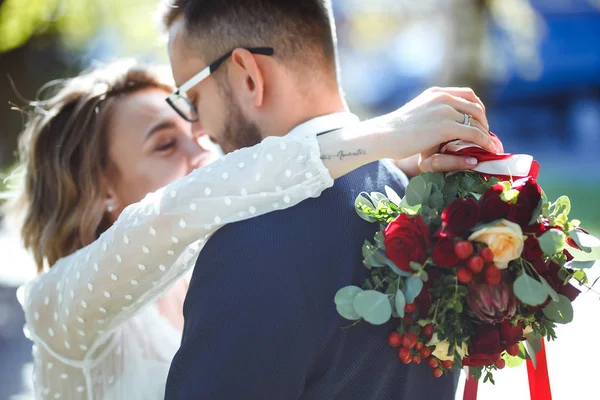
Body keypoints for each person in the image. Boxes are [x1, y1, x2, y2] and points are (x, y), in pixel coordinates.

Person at [10, 58, 492, 399]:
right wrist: (381, 136)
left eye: (197, 135)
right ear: (101, 191)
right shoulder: (58, 307)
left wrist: (403, 172)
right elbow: (172, 213)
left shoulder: (234, 266)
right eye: (164, 146)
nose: (202, 154)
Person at [161, 1, 495, 399]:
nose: (197, 130)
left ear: (249, 77)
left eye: (194, 100)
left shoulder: (250, 244)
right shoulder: (424, 211)